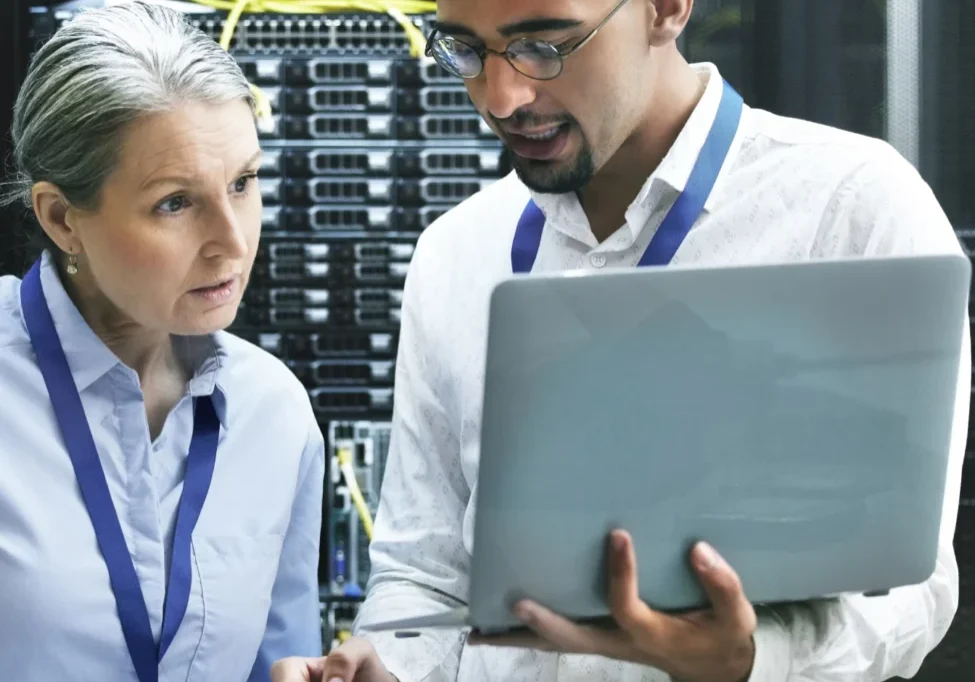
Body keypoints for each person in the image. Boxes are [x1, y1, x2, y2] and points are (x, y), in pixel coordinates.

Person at [273, 0, 971, 680]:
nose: (501, 97)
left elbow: (913, 589)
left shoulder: (850, 208)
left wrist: (753, 660)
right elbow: (425, 576)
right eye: (465, 49)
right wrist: (388, 664)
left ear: (666, 9)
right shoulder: (455, 251)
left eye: (543, 46)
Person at [0, 3, 325, 681]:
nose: (233, 244)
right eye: (175, 202)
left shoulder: (275, 412)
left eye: (243, 183)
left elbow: (283, 654)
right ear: (62, 218)